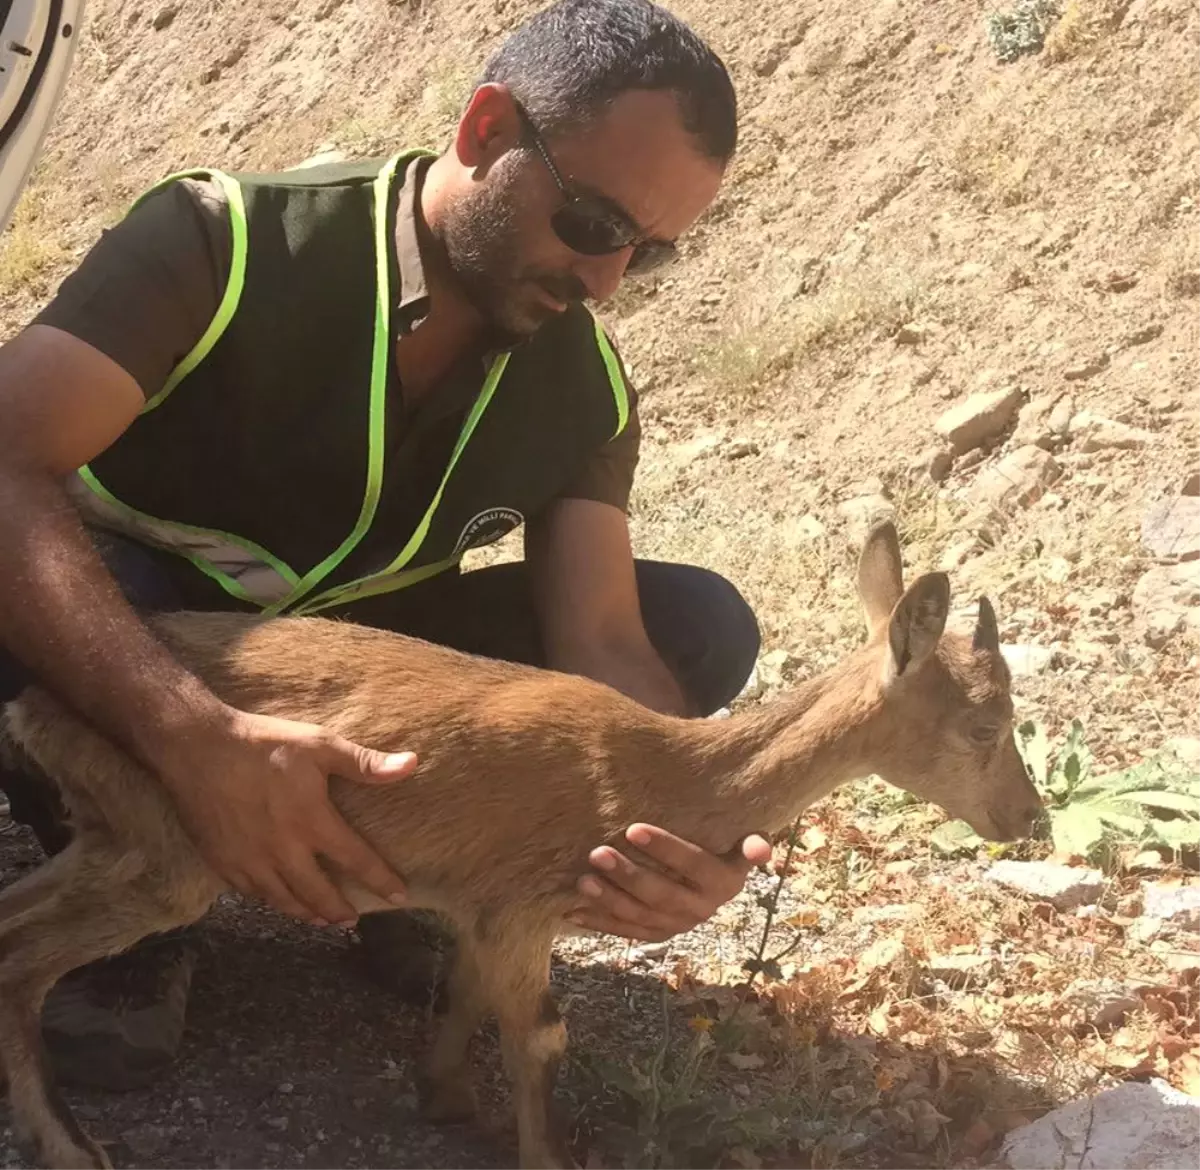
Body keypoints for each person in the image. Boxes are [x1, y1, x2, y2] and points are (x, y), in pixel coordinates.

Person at [0, 0, 770, 1092]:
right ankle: (140, 891)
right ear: (488, 130)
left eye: (648, 258)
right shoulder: (221, 239)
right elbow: (5, 463)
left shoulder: (583, 392)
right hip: (130, 644)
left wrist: (684, 829)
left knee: (698, 630)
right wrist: (189, 737)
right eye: (596, 225)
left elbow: (604, 642)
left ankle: (421, 878)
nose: (605, 284)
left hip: (348, 674)